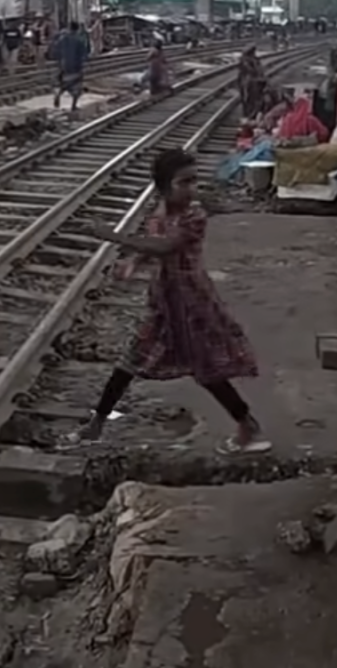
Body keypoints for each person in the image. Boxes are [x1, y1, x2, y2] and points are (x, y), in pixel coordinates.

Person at [81, 149, 269, 454]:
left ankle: (248, 426)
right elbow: (154, 245)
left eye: (194, 180)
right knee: (130, 361)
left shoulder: (194, 215)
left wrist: (112, 236)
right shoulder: (161, 211)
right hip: (164, 303)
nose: (192, 188)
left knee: (206, 371)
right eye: (184, 182)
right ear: (164, 186)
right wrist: (134, 262)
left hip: (193, 304)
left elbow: (165, 246)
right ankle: (96, 424)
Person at [51, 20, 92, 116]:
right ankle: (73, 106)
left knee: (63, 83)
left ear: (69, 28)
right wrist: (86, 63)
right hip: (76, 66)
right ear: (77, 29)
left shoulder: (62, 39)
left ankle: (58, 94)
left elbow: (55, 51)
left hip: (63, 65)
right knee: (77, 87)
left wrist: (59, 61)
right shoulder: (79, 40)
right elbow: (84, 53)